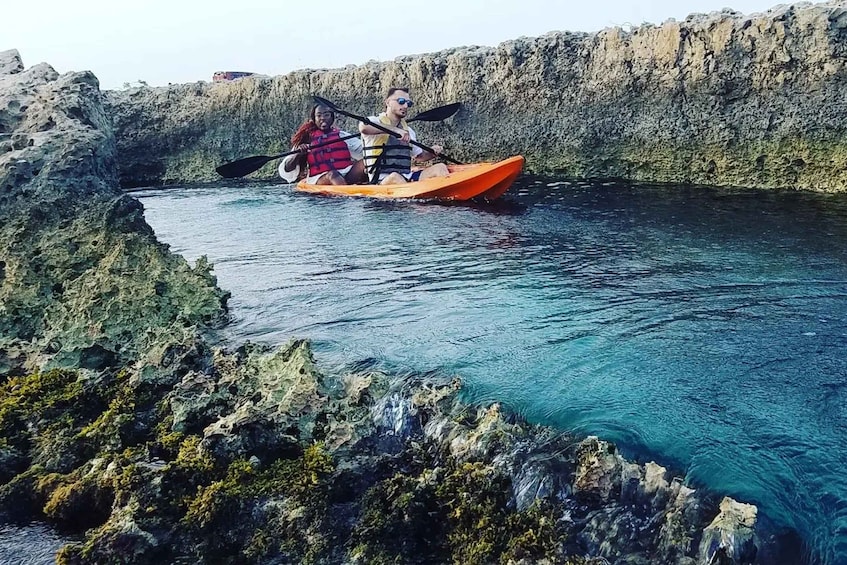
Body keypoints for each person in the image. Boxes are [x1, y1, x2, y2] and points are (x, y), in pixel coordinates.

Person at [359, 87, 449, 184]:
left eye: (408, 103)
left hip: (408, 177)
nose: (405, 106)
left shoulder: (408, 131)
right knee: (395, 176)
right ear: (388, 102)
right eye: (401, 101)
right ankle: (413, 196)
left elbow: (420, 156)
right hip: (381, 180)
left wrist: (432, 152)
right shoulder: (374, 121)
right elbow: (363, 127)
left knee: (440, 167)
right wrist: (394, 130)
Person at [279, 104, 366, 185]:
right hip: (320, 178)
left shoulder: (342, 135)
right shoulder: (306, 139)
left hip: (346, 172)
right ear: (314, 119)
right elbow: (286, 169)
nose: (323, 118)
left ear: (332, 118)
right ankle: (348, 196)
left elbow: (365, 150)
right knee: (333, 174)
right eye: (319, 115)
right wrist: (298, 154)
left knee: (367, 162)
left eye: (326, 115)